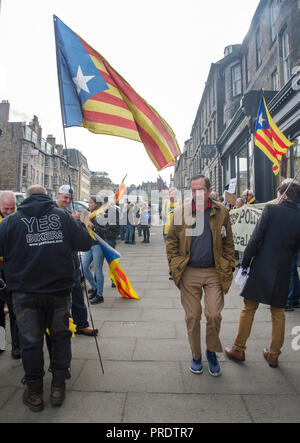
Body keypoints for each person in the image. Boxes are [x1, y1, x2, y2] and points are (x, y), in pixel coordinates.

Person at [0, 185, 95, 412]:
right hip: (58, 292)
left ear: (26, 198)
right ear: (47, 197)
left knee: (30, 342)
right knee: (60, 337)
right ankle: (57, 386)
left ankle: (34, 392)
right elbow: (84, 242)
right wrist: (79, 224)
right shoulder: (62, 217)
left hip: (25, 293)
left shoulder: (10, 222)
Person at [166, 175, 235, 377]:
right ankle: (196, 356)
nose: (196, 194)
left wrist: (228, 264)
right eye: (193, 190)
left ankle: (211, 352)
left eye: (200, 189)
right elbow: (171, 241)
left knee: (213, 314)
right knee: (193, 316)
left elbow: (228, 242)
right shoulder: (181, 212)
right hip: (189, 272)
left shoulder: (221, 211)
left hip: (214, 272)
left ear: (209, 190)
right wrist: (174, 264)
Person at [225, 182, 300, 368]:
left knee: (248, 308)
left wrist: (245, 263)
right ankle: (274, 354)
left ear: (282, 195)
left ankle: (239, 348)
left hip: (262, 266)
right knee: (278, 313)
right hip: (283, 269)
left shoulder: (270, 211)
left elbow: (256, 238)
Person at [56, 185, 97, 336]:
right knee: (62, 298)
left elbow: (84, 232)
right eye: (64, 198)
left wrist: (81, 221)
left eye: (69, 199)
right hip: (59, 261)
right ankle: (64, 327)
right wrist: (71, 220)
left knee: (77, 293)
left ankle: (81, 324)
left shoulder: (68, 212)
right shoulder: (54, 212)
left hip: (73, 258)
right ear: (58, 195)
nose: (67, 201)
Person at [0, 191, 20, 359]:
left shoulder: (17, 218)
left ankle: (16, 346)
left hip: (12, 271)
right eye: (6, 208)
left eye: (12, 208)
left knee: (14, 310)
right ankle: (0, 344)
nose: (9, 211)